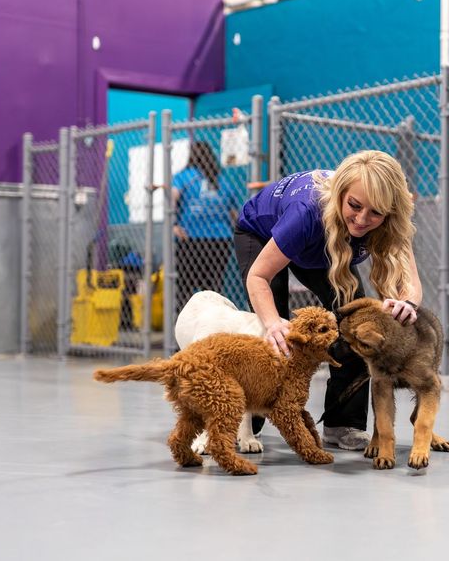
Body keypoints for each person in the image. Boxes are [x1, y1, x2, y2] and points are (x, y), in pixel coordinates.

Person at [234, 150, 422, 450]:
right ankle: (246, 424)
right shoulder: (307, 213)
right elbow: (258, 277)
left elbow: (409, 284)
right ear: (340, 195)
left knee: (358, 326)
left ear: (390, 211)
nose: (362, 220)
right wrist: (271, 323)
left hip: (324, 247)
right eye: (355, 206)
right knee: (274, 331)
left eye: (375, 213)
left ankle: (342, 424)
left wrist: (406, 304)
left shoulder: (389, 221)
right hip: (262, 232)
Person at [172, 141, 243, 313]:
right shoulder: (221, 180)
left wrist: (173, 225)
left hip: (190, 238)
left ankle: (184, 328)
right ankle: (212, 327)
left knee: (185, 288)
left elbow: (172, 198)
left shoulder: (184, 177)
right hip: (219, 240)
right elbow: (234, 214)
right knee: (213, 288)